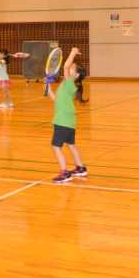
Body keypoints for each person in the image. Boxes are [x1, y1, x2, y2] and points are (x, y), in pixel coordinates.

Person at [48, 48, 88, 184]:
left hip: (63, 121)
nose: (68, 68)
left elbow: (65, 66)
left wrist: (73, 52)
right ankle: (80, 168)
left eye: (72, 68)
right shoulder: (67, 86)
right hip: (69, 121)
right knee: (71, 145)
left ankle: (65, 173)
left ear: (76, 74)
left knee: (56, 147)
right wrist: (51, 93)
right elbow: (58, 101)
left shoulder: (69, 82)